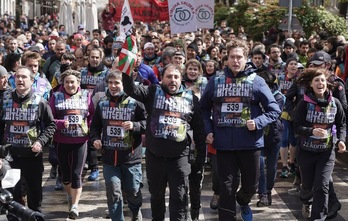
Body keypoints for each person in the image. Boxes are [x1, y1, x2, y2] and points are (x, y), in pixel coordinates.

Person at [200, 40, 281, 221]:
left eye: (239, 57)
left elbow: (274, 110)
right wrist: (208, 130)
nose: (236, 61)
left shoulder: (257, 81)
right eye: (232, 57)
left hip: (250, 144)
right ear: (226, 59)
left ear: (246, 59)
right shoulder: (216, 81)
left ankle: (243, 200)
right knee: (226, 187)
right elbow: (203, 108)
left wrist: (259, 122)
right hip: (223, 145)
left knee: (251, 186)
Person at [122, 63, 206, 220]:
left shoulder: (191, 98)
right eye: (169, 77)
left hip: (180, 159)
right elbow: (130, 89)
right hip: (155, 158)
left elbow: (200, 130)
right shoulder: (153, 92)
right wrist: (127, 67)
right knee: (157, 197)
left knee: (180, 199)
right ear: (161, 78)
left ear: (181, 79)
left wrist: (201, 157)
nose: (172, 80)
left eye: (176, 77)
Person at [0, 66, 56, 220]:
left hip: (32, 156)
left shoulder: (40, 101)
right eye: (17, 76)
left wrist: (40, 141)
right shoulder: (5, 99)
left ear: (32, 81)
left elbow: (51, 125)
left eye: (24, 77)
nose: (20, 80)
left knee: (34, 196)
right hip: (10, 159)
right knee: (11, 196)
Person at [90, 70, 146, 221]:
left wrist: (135, 125)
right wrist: (95, 139)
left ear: (124, 84)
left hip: (131, 157)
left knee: (133, 191)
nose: (113, 86)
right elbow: (95, 127)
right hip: (109, 158)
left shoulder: (136, 102)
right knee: (114, 192)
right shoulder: (102, 104)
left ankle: (135, 211)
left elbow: (148, 123)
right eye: (110, 83)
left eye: (117, 83)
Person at [294, 68, 346, 220]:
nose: (320, 83)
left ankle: (318, 218)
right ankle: (306, 200)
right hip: (306, 151)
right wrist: (311, 131)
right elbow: (296, 126)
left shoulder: (335, 103)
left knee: (322, 186)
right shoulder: (304, 103)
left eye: (322, 80)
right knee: (307, 187)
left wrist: (341, 140)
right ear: (310, 84)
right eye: (316, 80)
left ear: (327, 83)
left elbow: (341, 123)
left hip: (326, 152)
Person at [49, 69, 94, 219]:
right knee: (65, 175)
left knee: (76, 174)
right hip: (61, 141)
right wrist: (61, 123)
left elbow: (92, 114)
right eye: (67, 82)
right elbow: (49, 119)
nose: (70, 85)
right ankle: (70, 195)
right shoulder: (56, 96)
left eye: (72, 82)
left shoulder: (86, 95)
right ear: (63, 83)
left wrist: (88, 125)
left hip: (81, 140)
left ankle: (75, 205)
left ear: (78, 82)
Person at [256, 70, 285, 207]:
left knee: (272, 166)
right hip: (257, 134)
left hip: (274, 134)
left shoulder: (278, 96)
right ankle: (262, 192)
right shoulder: (254, 94)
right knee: (260, 165)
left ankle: (268, 190)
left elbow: (273, 113)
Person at [80, 47, 109, 181]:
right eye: (92, 57)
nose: (95, 59)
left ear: (101, 58)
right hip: (85, 109)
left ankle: (105, 164)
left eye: (97, 57)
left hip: (102, 108)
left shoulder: (106, 73)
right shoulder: (82, 73)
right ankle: (94, 167)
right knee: (89, 137)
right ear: (88, 57)